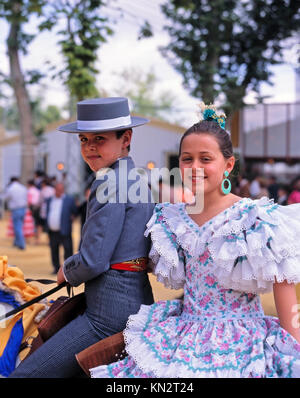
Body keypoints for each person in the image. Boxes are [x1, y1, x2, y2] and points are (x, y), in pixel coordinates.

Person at [90, 103, 300, 378]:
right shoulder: (169, 219)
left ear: (228, 164)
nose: (194, 167)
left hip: (243, 345)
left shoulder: (255, 219)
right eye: (186, 159)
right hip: (183, 337)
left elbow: (284, 289)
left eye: (205, 159)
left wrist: (294, 354)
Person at [10, 97, 154, 378]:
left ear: (126, 138)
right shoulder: (137, 180)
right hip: (138, 300)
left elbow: (93, 259)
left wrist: (67, 269)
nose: (89, 147)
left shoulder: (108, 181)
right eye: (83, 139)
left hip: (107, 314)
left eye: (99, 139)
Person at [45, 182, 78, 274]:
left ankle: (68, 270)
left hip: (65, 229)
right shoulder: (49, 200)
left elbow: (75, 211)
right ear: (55, 190)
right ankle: (56, 268)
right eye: (58, 190)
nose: (60, 192)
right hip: (53, 231)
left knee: (68, 250)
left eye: (61, 190)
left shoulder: (69, 200)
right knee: (54, 250)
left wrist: (72, 217)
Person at [4, 177, 28, 250]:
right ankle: (17, 242)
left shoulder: (11, 188)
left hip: (16, 209)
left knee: (17, 227)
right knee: (20, 226)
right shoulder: (23, 187)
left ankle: (21, 244)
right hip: (23, 208)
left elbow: (6, 198)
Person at [27, 179, 41, 244]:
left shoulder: (29, 191)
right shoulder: (37, 190)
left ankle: (31, 238)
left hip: (32, 207)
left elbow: (29, 201)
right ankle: (37, 238)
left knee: (30, 223)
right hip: (38, 207)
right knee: (37, 223)